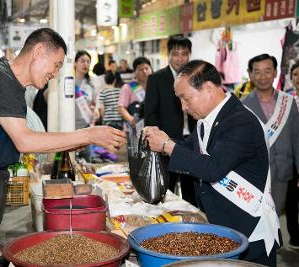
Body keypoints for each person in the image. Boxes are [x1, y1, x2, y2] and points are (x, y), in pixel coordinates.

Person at [0, 28, 126, 241]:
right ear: (39, 51)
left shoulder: (12, 85)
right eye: (57, 64)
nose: (55, 73)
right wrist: (87, 135)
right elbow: (25, 140)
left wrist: (73, 141)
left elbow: (25, 140)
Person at [144, 60, 280, 266]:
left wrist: (166, 145)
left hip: (250, 230)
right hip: (226, 226)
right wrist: (163, 140)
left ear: (208, 88)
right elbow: (189, 151)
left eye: (185, 98)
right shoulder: (207, 120)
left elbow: (213, 168)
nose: (183, 106)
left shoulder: (240, 121)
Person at [241, 54, 299, 217]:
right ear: (250, 74)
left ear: (275, 72)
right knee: (258, 216)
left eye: (267, 71)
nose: (262, 77)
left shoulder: (288, 102)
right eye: (257, 72)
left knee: (277, 213)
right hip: (255, 173)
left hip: (282, 170)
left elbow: (296, 140)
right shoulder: (242, 105)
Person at [144, 35, 196, 206]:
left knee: (192, 192)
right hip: (167, 143)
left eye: (184, 54)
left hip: (192, 143)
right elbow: (150, 114)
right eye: (175, 54)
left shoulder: (197, 78)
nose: (180, 58)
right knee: (166, 192)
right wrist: (158, 141)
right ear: (169, 55)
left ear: (189, 55)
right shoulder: (156, 79)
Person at [284, 61, 299, 249]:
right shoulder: (287, 101)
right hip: (291, 157)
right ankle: (294, 236)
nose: (298, 78)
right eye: (296, 74)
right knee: (291, 198)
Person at [118, 57, 152, 127]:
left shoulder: (155, 86)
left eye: (147, 68)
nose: (144, 71)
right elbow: (121, 108)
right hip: (135, 128)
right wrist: (131, 120)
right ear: (134, 72)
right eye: (140, 69)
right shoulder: (128, 87)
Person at [74, 50, 97, 129]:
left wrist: (96, 113)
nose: (86, 64)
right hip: (70, 126)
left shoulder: (91, 85)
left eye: (88, 62)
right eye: (82, 61)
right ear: (75, 63)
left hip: (86, 127)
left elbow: (94, 105)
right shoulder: (69, 83)